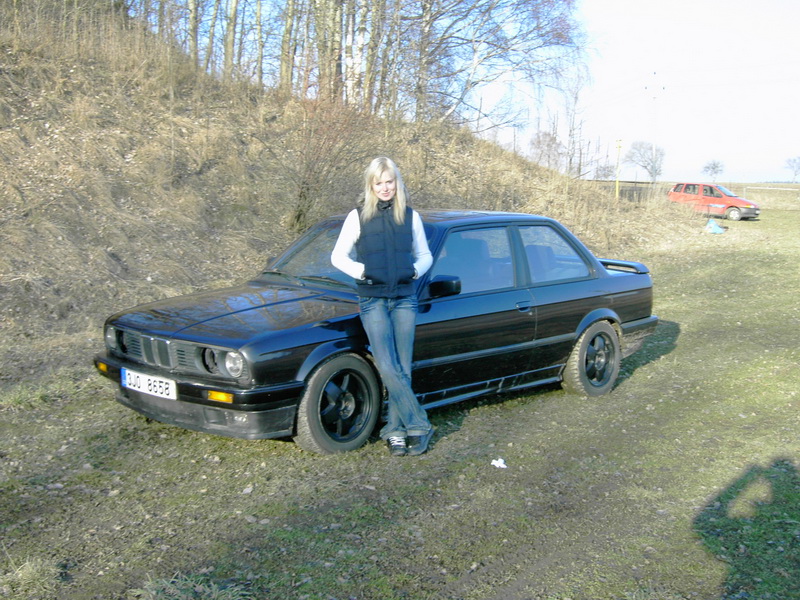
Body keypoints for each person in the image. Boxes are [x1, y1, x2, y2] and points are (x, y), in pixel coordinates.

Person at [331, 157, 434, 457]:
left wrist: (414, 272)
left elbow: (425, 255)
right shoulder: (357, 217)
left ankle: (396, 431)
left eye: (390, 181)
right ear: (371, 185)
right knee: (387, 365)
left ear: (397, 183)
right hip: (372, 299)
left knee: (403, 367)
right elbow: (338, 257)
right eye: (379, 183)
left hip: (404, 298)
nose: (385, 187)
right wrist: (363, 272)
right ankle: (419, 424)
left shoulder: (410, 216)